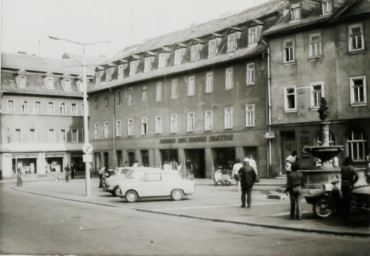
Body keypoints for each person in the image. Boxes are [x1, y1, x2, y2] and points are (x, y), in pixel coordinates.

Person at [340, 157, 359, 223]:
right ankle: (348, 217)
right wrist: (353, 182)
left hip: (343, 185)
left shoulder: (343, 168)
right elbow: (357, 176)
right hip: (349, 185)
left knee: (344, 201)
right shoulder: (352, 168)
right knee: (349, 201)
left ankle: (344, 217)